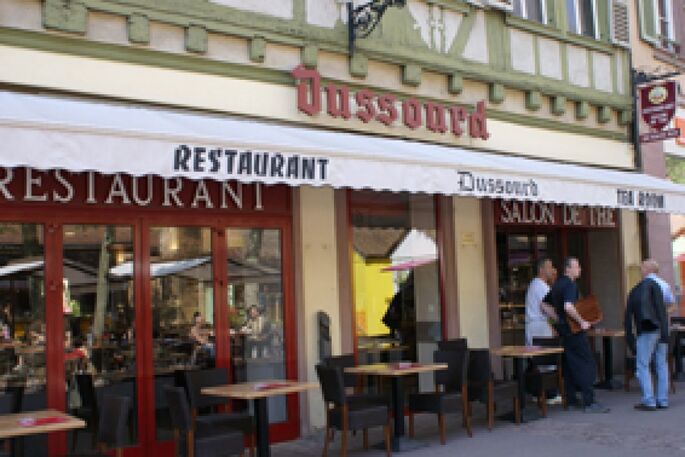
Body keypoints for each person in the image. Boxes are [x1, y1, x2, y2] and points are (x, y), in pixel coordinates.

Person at [541, 257, 609, 413]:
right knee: (586, 363)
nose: (580, 269)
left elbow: (543, 304)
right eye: (577, 266)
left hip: (564, 331)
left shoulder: (557, 284)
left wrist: (558, 318)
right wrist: (581, 321)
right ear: (568, 269)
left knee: (570, 365)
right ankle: (589, 402)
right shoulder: (570, 285)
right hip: (574, 330)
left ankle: (571, 399)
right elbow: (568, 306)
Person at [625, 259, 670, 411]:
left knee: (642, 365)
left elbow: (631, 314)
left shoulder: (638, 288)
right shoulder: (663, 285)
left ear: (646, 270)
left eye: (642, 268)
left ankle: (649, 400)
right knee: (661, 364)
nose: (640, 270)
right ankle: (662, 400)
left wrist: (630, 336)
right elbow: (668, 306)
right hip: (662, 328)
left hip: (648, 330)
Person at [525, 258, 556, 346]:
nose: (552, 270)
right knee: (544, 353)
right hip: (539, 327)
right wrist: (560, 319)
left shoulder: (536, 284)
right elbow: (547, 307)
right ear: (541, 270)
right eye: (549, 267)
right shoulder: (540, 286)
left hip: (536, 326)